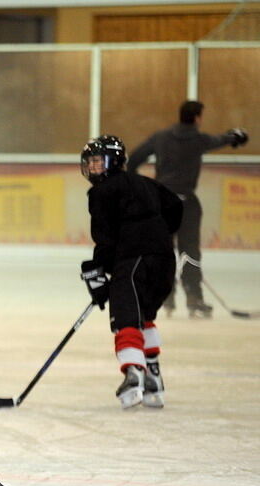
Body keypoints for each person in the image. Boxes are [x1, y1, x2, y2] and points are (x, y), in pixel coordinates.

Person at [80, 136, 183, 410]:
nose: (94, 169)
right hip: (164, 261)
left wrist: (99, 270)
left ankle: (133, 373)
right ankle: (153, 379)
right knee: (144, 316)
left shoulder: (101, 193)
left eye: (98, 162)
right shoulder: (145, 183)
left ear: (114, 162)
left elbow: (105, 239)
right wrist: (157, 235)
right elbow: (175, 207)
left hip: (134, 260)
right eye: (90, 163)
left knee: (126, 316)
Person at [127, 101, 249, 318]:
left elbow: (134, 159)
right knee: (189, 251)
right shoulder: (198, 139)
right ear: (197, 118)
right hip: (186, 205)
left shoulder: (161, 137)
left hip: (161, 203)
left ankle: (165, 296)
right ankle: (194, 298)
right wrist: (235, 136)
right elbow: (220, 140)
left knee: (161, 251)